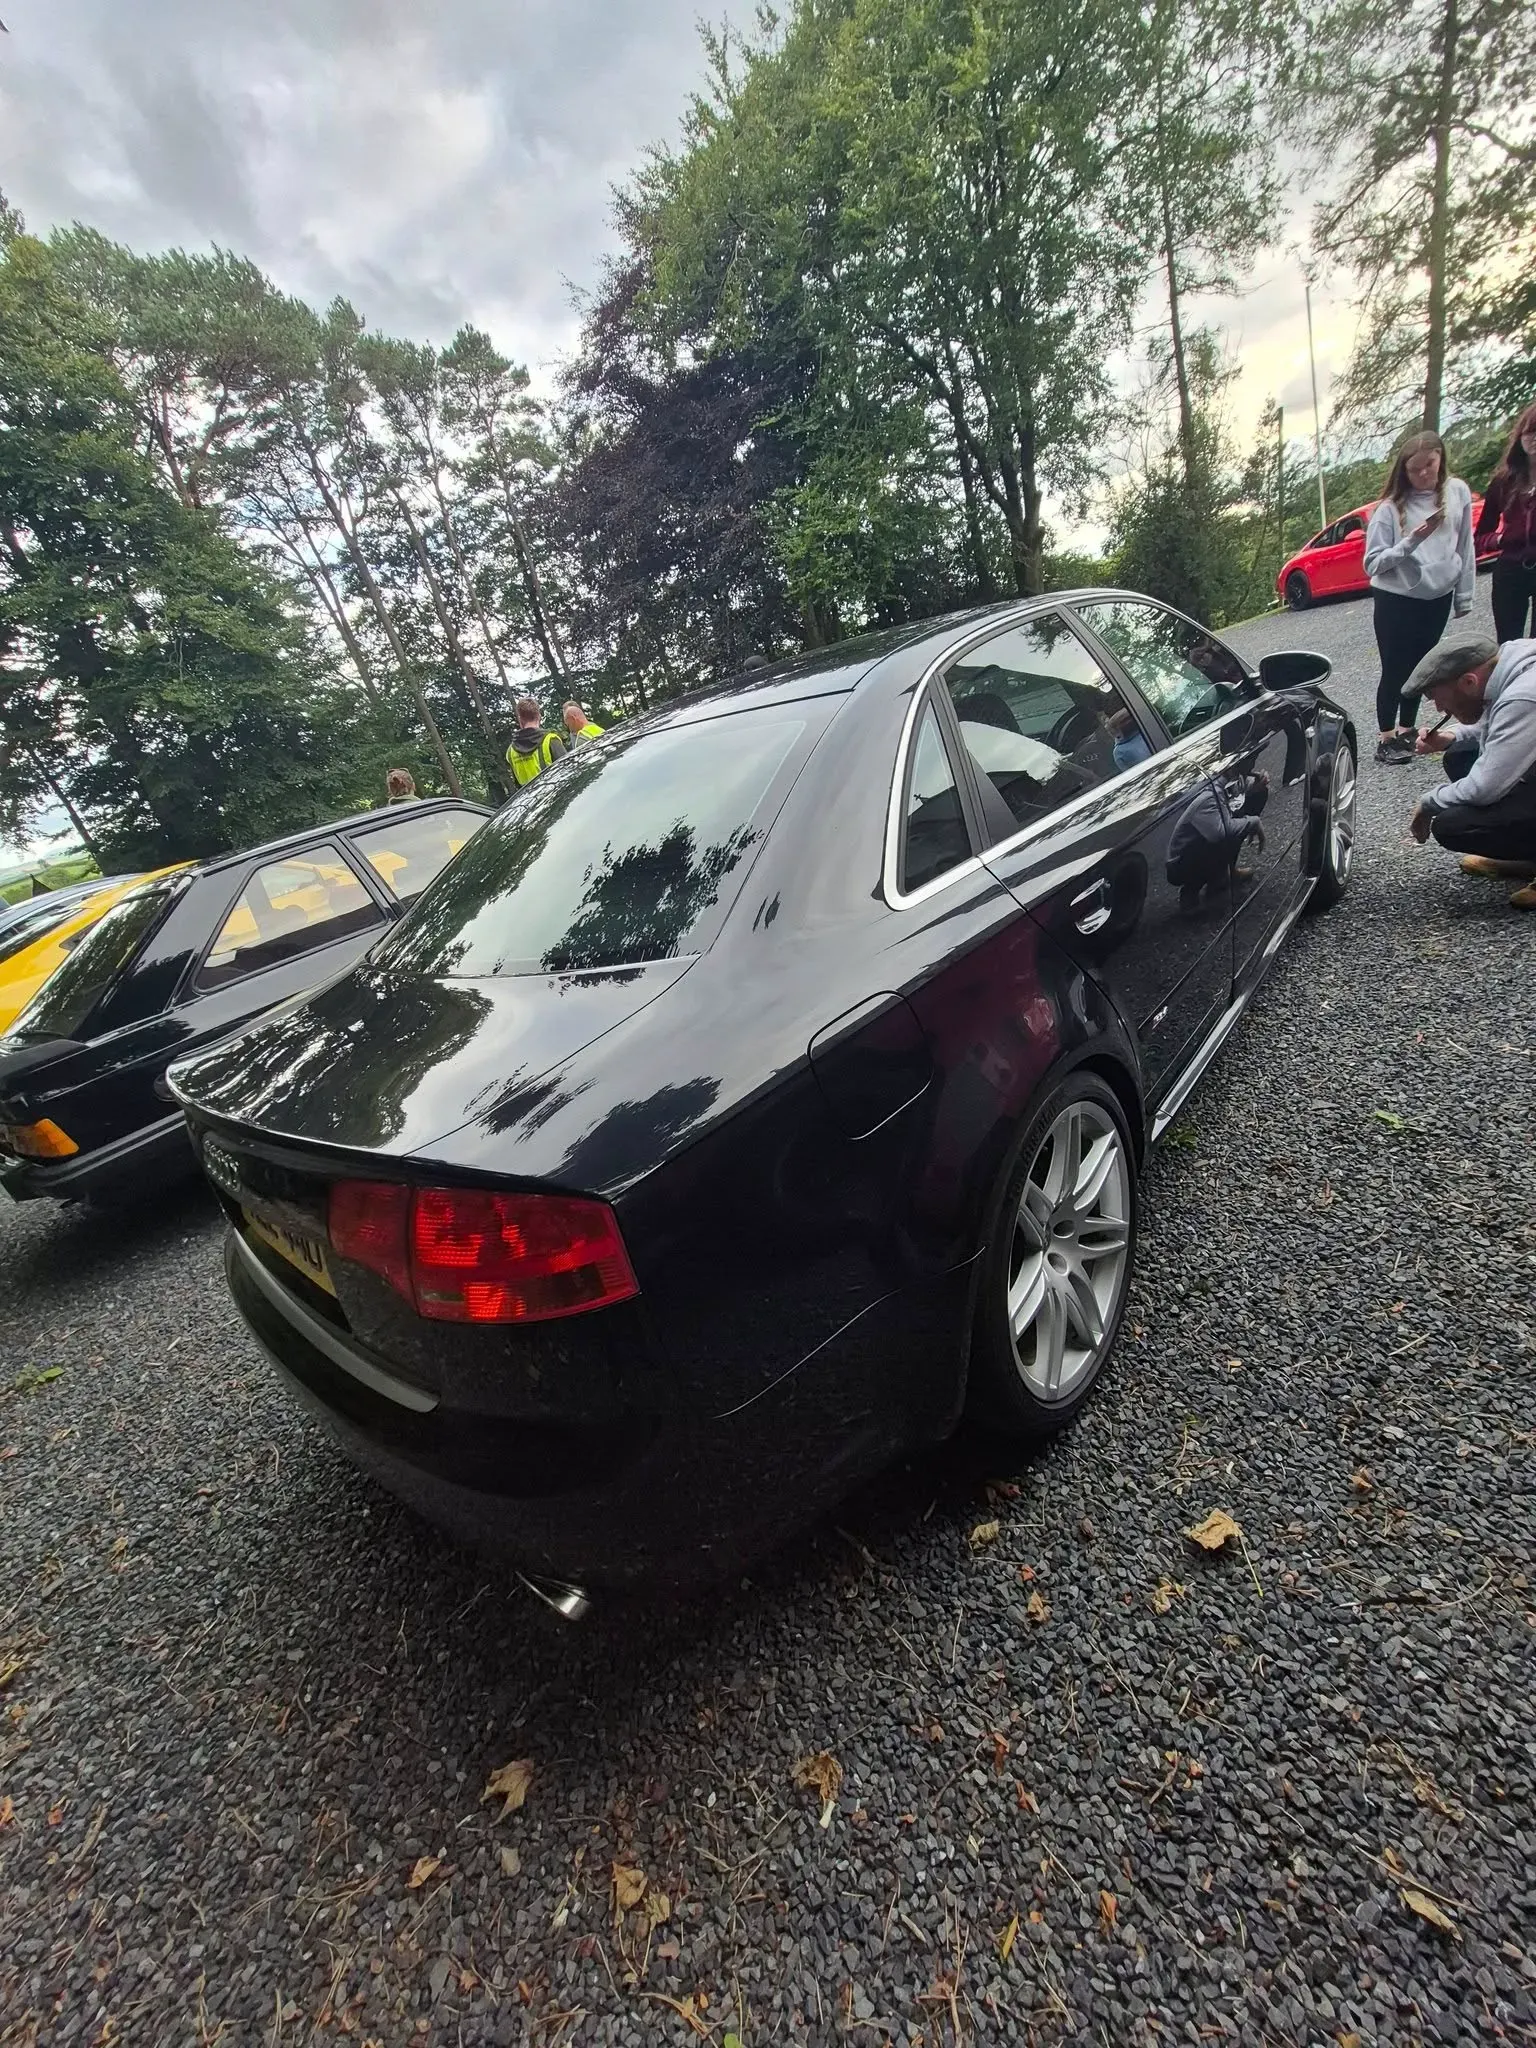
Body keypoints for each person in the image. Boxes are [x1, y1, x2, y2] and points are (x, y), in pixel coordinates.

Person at [1363, 429, 1476, 765]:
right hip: (1396, 599)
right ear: (1404, 471)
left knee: (1421, 669)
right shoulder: (1389, 509)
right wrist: (1411, 542)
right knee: (1395, 669)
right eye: (1415, 469)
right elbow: (1372, 563)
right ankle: (1386, 738)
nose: (1424, 474)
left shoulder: (1457, 492)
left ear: (1441, 459)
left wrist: (1464, 596)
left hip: (1437, 595)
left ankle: (1407, 730)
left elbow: (1465, 546)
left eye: (1430, 465)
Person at [1405, 630, 1536, 909]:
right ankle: (1528, 860)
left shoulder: (1525, 696)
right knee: (1459, 755)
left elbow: (1484, 788)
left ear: (1469, 681)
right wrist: (1452, 736)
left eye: (1438, 698)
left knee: (1455, 826)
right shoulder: (1510, 660)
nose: (1440, 708)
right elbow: (1497, 716)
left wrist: (1427, 803)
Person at [1473, 403, 1536, 644]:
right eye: (1529, 433)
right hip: (1510, 571)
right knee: (1509, 645)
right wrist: (1500, 539)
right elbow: (1480, 538)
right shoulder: (1503, 482)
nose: (1533, 440)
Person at [506, 697, 565, 786]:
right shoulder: (551, 740)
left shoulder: (510, 751)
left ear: (520, 719)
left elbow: (517, 783)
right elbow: (568, 770)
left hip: (530, 799)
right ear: (539, 716)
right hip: (557, 795)